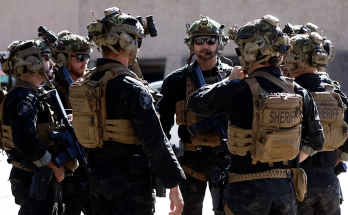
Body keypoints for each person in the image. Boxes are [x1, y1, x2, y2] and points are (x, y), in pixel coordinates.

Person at [187, 15, 325, 214]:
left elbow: (196, 102)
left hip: (245, 191)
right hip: (285, 192)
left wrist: (227, 80)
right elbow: (316, 141)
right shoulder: (299, 92)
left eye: (241, 49)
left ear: (253, 50)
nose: (240, 56)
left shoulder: (237, 89)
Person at [69, 7, 185, 215]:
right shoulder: (130, 87)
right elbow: (155, 142)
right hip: (131, 186)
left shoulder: (87, 83)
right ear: (126, 43)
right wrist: (174, 186)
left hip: (96, 180)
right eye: (136, 40)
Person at [158, 16, 231, 215]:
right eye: (198, 41)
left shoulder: (234, 78)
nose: (204, 45)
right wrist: (171, 182)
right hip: (190, 162)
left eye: (210, 40)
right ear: (191, 45)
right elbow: (161, 132)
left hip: (226, 159)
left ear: (220, 43)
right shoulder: (176, 81)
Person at [283, 32, 348, 215]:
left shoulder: (289, 93)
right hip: (329, 181)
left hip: (297, 182)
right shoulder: (335, 93)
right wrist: (328, 166)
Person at [0, 39, 67, 214]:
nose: (51, 62)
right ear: (33, 63)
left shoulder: (34, 93)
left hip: (39, 175)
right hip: (34, 176)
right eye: (46, 58)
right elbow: (26, 140)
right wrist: (54, 166)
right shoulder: (24, 97)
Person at [49, 31, 94, 215]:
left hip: (90, 169)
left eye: (88, 57)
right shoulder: (49, 92)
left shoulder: (91, 88)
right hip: (63, 174)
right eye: (80, 57)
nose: (85, 62)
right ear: (63, 59)